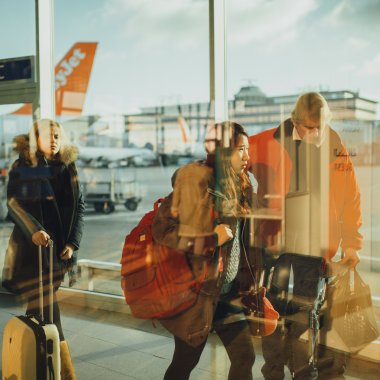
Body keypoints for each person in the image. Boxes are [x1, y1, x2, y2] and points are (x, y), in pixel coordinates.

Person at [248, 92, 362, 379]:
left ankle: (299, 366)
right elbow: (232, 159)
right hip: (277, 244)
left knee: (304, 311)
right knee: (272, 309)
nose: (315, 134)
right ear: (296, 122)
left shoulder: (334, 143)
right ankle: (273, 368)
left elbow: (351, 195)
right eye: (309, 128)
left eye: (320, 127)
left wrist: (352, 243)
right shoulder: (268, 140)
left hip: (314, 245)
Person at [152, 121, 257, 380]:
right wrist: (211, 238)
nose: (247, 156)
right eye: (240, 149)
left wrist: (252, 278)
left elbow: (244, 241)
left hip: (228, 292)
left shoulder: (243, 185)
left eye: (247, 149)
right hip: (197, 294)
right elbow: (162, 230)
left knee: (244, 356)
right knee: (184, 363)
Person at [3, 119, 85, 380]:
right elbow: (14, 204)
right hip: (33, 253)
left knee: (39, 312)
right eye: (48, 135)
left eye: (57, 135)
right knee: (48, 313)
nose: (54, 140)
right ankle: (62, 374)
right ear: (35, 138)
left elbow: (79, 207)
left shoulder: (68, 167)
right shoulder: (23, 167)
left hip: (59, 254)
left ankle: (28, 364)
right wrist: (34, 229)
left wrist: (73, 243)